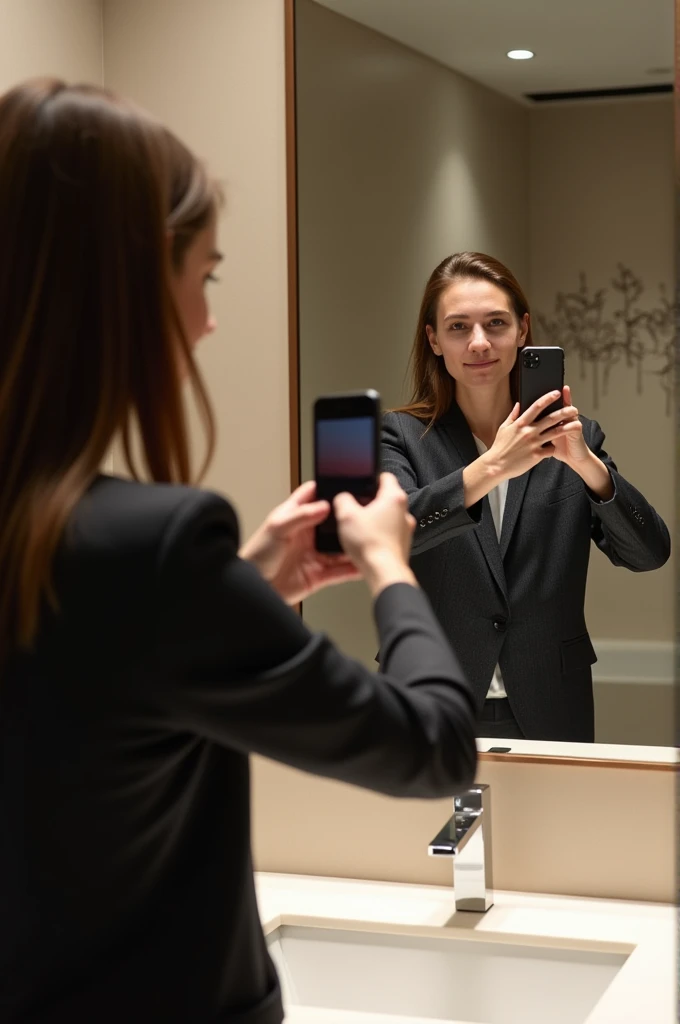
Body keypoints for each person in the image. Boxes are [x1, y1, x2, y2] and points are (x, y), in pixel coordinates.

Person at [0, 81, 478, 1024]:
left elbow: (77, 704)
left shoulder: (89, 550)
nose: (210, 320)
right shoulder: (155, 548)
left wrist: (239, 586)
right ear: (134, 282)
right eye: (206, 275)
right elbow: (431, 749)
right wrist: (387, 562)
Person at [381, 252, 670, 743]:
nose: (479, 343)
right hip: (429, 700)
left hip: (550, 701)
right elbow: (391, 537)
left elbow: (648, 554)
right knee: (437, 827)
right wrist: (492, 466)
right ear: (434, 339)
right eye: (457, 327)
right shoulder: (400, 437)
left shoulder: (578, 438)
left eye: (496, 323)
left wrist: (586, 465)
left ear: (522, 330)